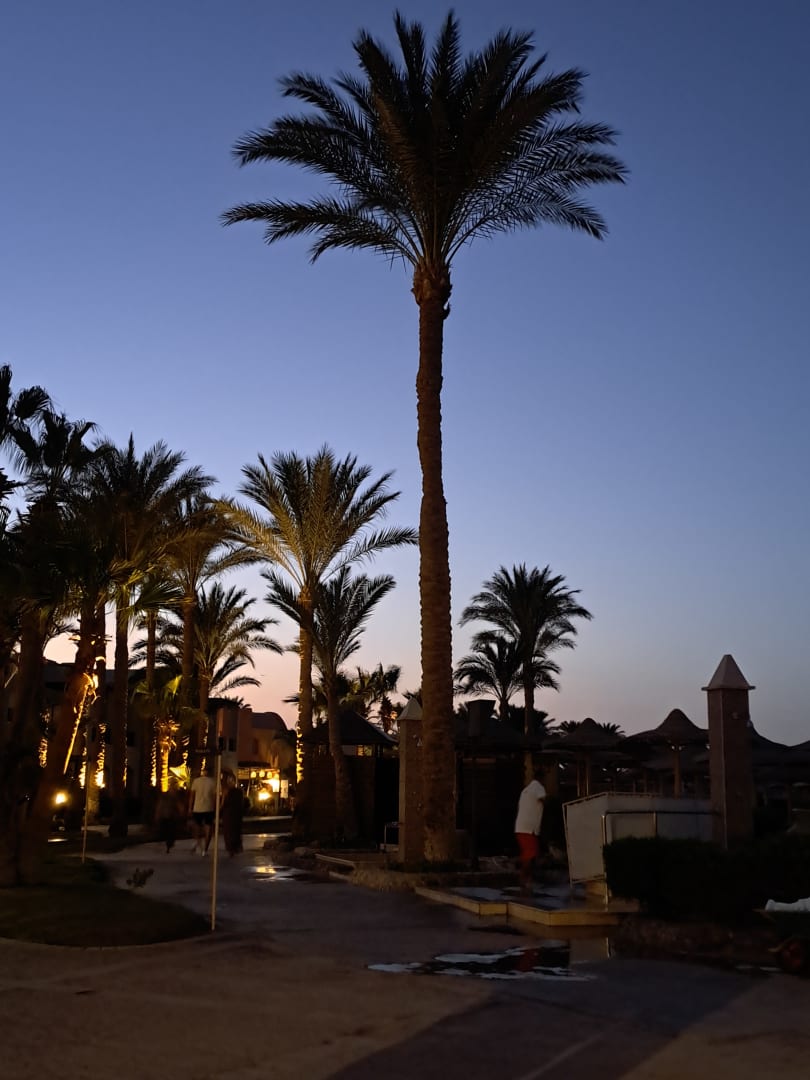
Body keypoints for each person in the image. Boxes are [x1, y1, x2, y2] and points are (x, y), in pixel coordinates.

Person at [514, 767, 546, 895]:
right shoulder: (538, 787)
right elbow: (544, 800)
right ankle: (523, 880)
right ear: (541, 778)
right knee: (530, 854)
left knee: (531, 854)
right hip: (529, 828)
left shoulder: (525, 790)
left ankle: (528, 879)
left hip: (520, 827)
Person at [188, 766, 217, 855]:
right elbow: (215, 797)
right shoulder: (213, 782)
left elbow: (192, 796)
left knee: (197, 827)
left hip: (197, 808)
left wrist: (190, 808)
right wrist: (215, 808)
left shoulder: (196, 781)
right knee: (208, 828)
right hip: (209, 808)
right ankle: (205, 849)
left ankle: (197, 842)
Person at [154, 777, 183, 853]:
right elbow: (160, 805)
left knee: (171, 831)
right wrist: (158, 814)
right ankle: (168, 844)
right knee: (168, 831)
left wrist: (181, 812)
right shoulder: (166, 795)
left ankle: (169, 844)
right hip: (166, 815)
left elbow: (179, 805)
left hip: (172, 815)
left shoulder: (176, 795)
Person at [220, 772, 244, 857]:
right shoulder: (226, 791)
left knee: (234, 831)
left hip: (235, 813)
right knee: (229, 831)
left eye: (232, 781)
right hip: (229, 813)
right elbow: (223, 803)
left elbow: (241, 803)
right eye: (229, 781)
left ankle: (234, 847)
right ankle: (231, 848)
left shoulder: (238, 791)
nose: (230, 783)